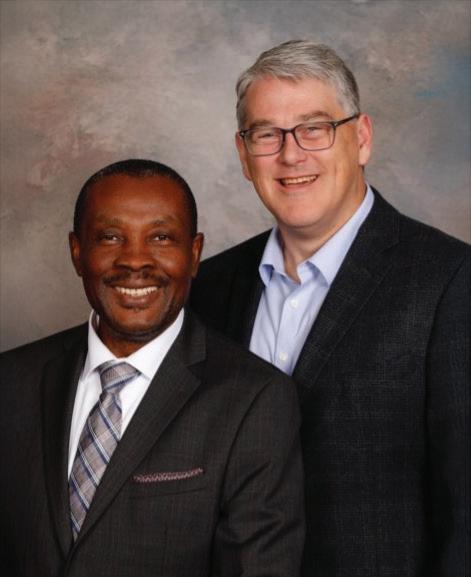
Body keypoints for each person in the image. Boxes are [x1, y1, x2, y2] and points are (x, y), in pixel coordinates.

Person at [190, 40, 470, 576]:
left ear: (361, 138)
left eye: (314, 128)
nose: (291, 155)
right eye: (267, 134)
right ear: (244, 155)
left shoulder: (451, 281)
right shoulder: (209, 288)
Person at [0, 159, 305, 577]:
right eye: (110, 237)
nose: (134, 260)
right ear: (77, 252)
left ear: (194, 254)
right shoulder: (12, 382)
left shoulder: (253, 400)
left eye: (161, 237)